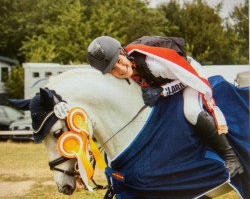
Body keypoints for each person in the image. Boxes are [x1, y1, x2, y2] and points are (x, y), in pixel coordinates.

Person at [86, 36, 243, 178]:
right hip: (163, 81)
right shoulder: (126, 70)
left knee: (191, 111)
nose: (120, 69)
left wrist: (163, 91)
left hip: (188, 74)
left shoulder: (151, 63)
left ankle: (231, 157)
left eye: (119, 61)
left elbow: (186, 78)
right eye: (113, 69)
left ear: (122, 51)